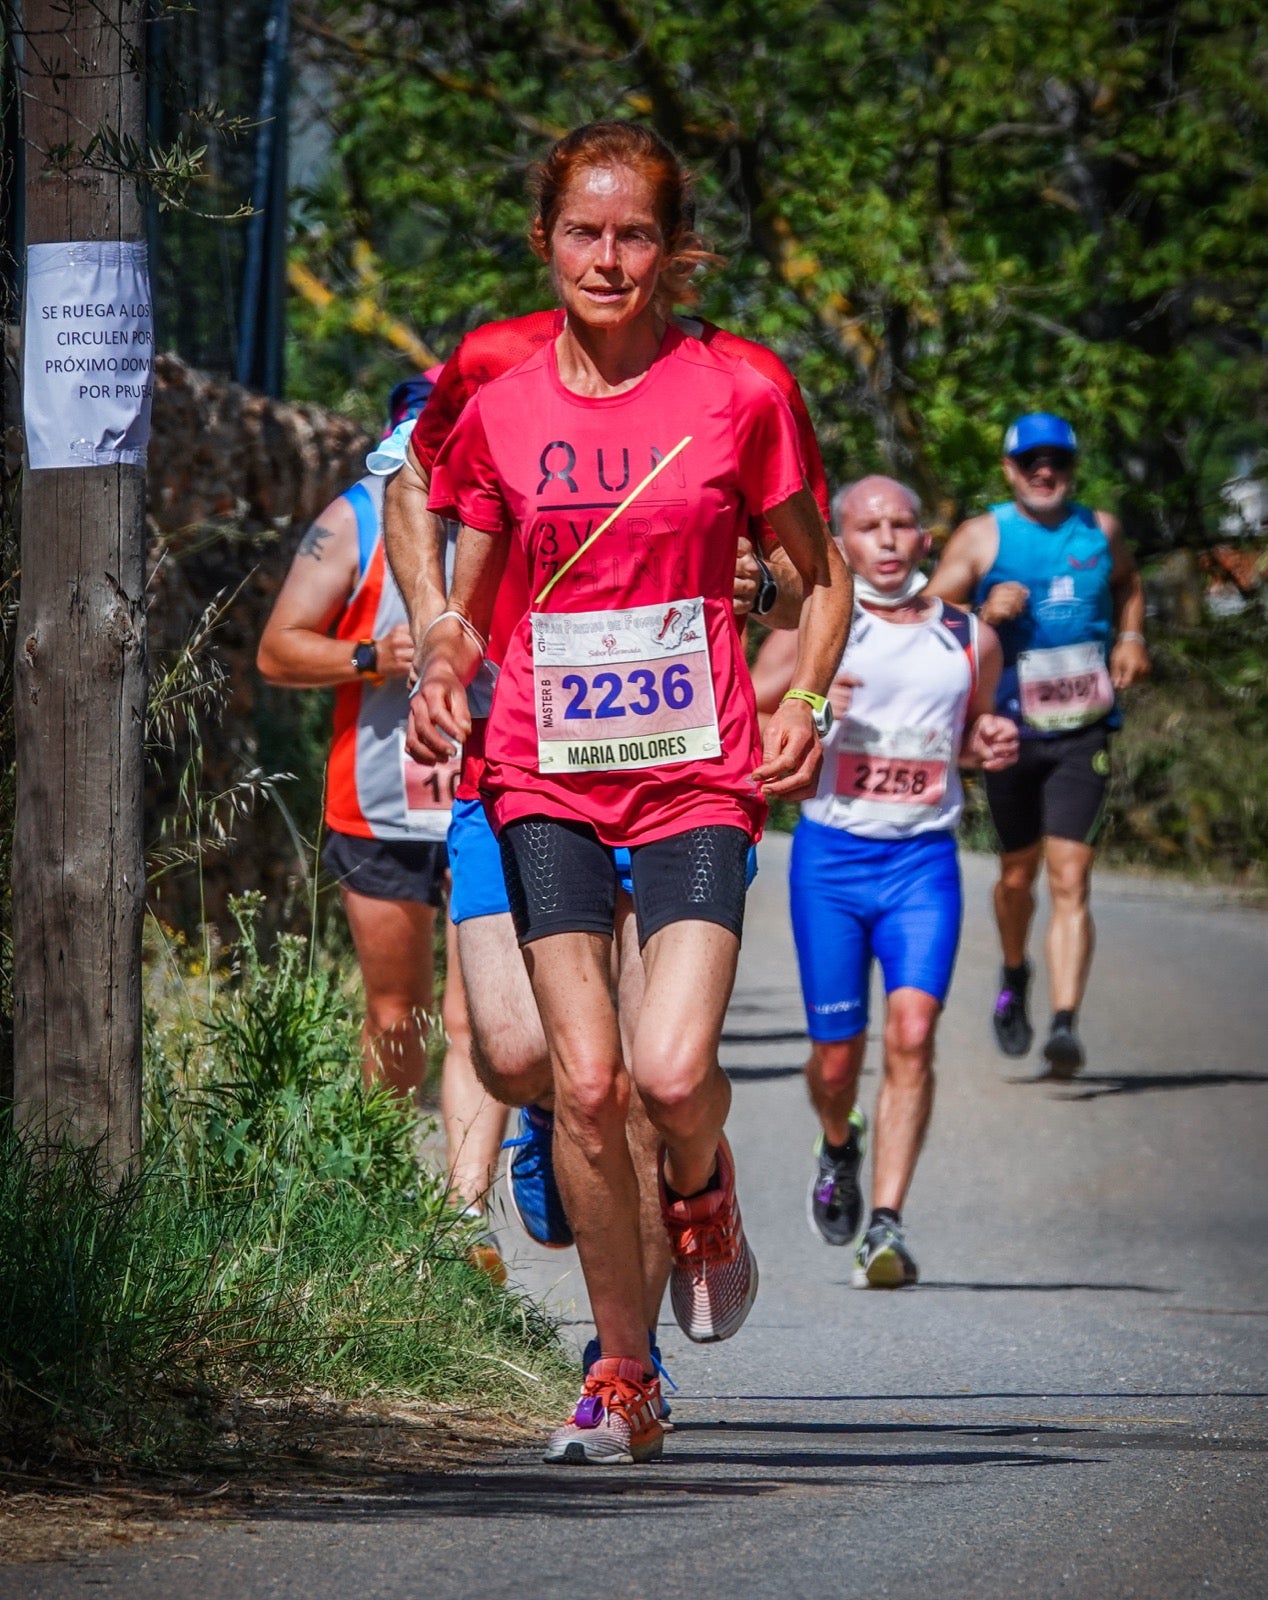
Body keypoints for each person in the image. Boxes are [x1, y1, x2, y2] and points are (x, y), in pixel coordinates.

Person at [410, 121, 851, 1464]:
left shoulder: (742, 391)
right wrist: (440, 664)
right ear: (547, 241)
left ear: (673, 248)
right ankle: (623, 1371)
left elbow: (817, 576)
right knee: (585, 1083)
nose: (609, 258)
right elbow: (462, 599)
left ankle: (705, 1186)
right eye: (585, 233)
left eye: (636, 234)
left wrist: (806, 697)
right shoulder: (501, 409)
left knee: (668, 1071)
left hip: (697, 777)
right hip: (543, 774)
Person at [256, 377, 508, 1276]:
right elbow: (278, 648)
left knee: (482, 1018)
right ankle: (380, 1180)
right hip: (382, 802)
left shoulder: (511, 511)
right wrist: (370, 655)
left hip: (493, 793)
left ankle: (464, 1212)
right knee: (395, 1012)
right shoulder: (356, 518)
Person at [752, 477, 1017, 1286]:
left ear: (926, 542)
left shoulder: (970, 636)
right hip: (831, 859)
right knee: (836, 1063)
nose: (890, 540)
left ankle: (888, 1225)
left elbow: (972, 734)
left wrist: (991, 740)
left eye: (904, 525)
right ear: (842, 541)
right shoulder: (819, 626)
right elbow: (747, 708)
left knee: (912, 1033)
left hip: (922, 863)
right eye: (871, 528)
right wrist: (812, 696)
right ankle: (839, 1144)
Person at [926, 413, 1149, 1076]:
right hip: (1009, 733)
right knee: (1017, 876)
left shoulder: (1101, 530)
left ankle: (1063, 1023)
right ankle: (1016, 971)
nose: (1045, 473)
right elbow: (925, 614)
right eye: (1031, 463)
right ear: (1009, 469)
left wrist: (1132, 637)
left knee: (1071, 875)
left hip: (1083, 730)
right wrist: (983, 613)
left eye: (1057, 462)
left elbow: (1130, 584)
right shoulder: (982, 535)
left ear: (1072, 467)